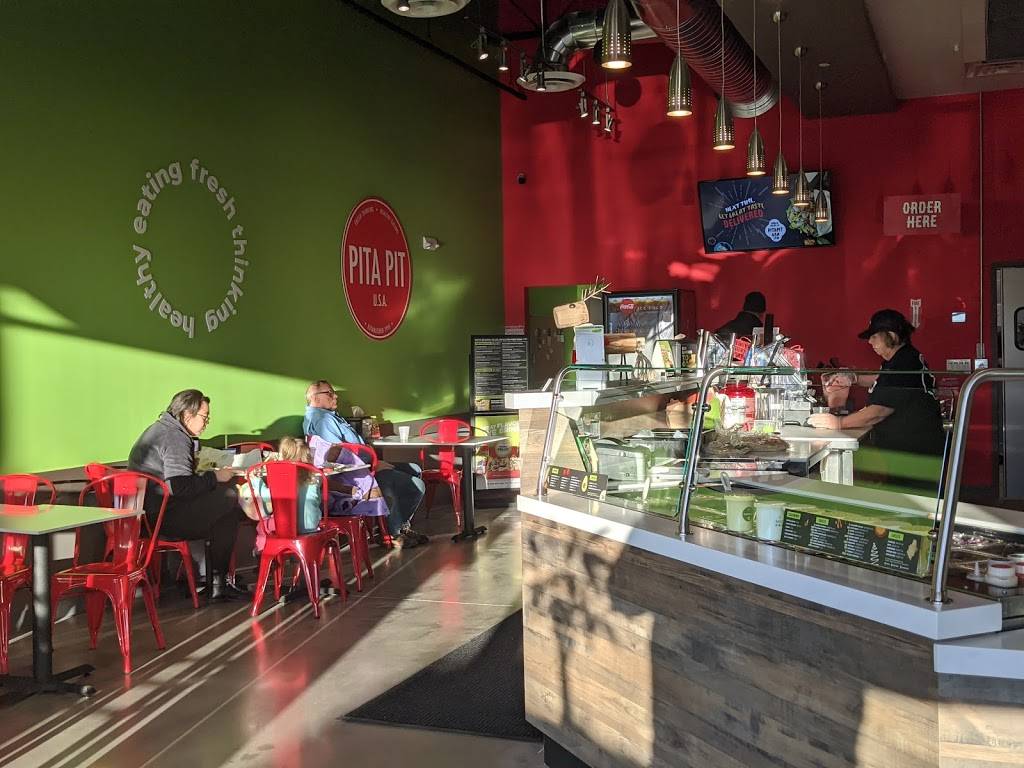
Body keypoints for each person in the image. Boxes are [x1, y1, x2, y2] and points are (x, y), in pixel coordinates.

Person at [128, 389, 248, 600]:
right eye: (204, 417)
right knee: (229, 499)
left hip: (145, 515)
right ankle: (218, 583)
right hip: (164, 519)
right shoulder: (175, 437)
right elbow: (180, 487)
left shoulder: (158, 429)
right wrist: (214, 477)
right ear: (186, 414)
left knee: (223, 508)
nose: (206, 423)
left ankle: (210, 580)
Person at [303, 380, 429, 548]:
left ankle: (399, 524)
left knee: (415, 469)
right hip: (355, 475)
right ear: (315, 398)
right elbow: (338, 455)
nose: (336, 396)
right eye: (330, 393)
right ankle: (392, 532)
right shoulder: (322, 420)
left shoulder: (329, 416)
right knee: (417, 486)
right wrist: (373, 465)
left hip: (365, 464)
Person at [808, 309, 946, 458]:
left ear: (892, 335)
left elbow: (879, 411)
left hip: (915, 455)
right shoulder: (903, 358)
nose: (870, 342)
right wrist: (853, 378)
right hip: (912, 450)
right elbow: (884, 380)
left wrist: (838, 423)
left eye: (874, 336)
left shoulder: (902, 363)